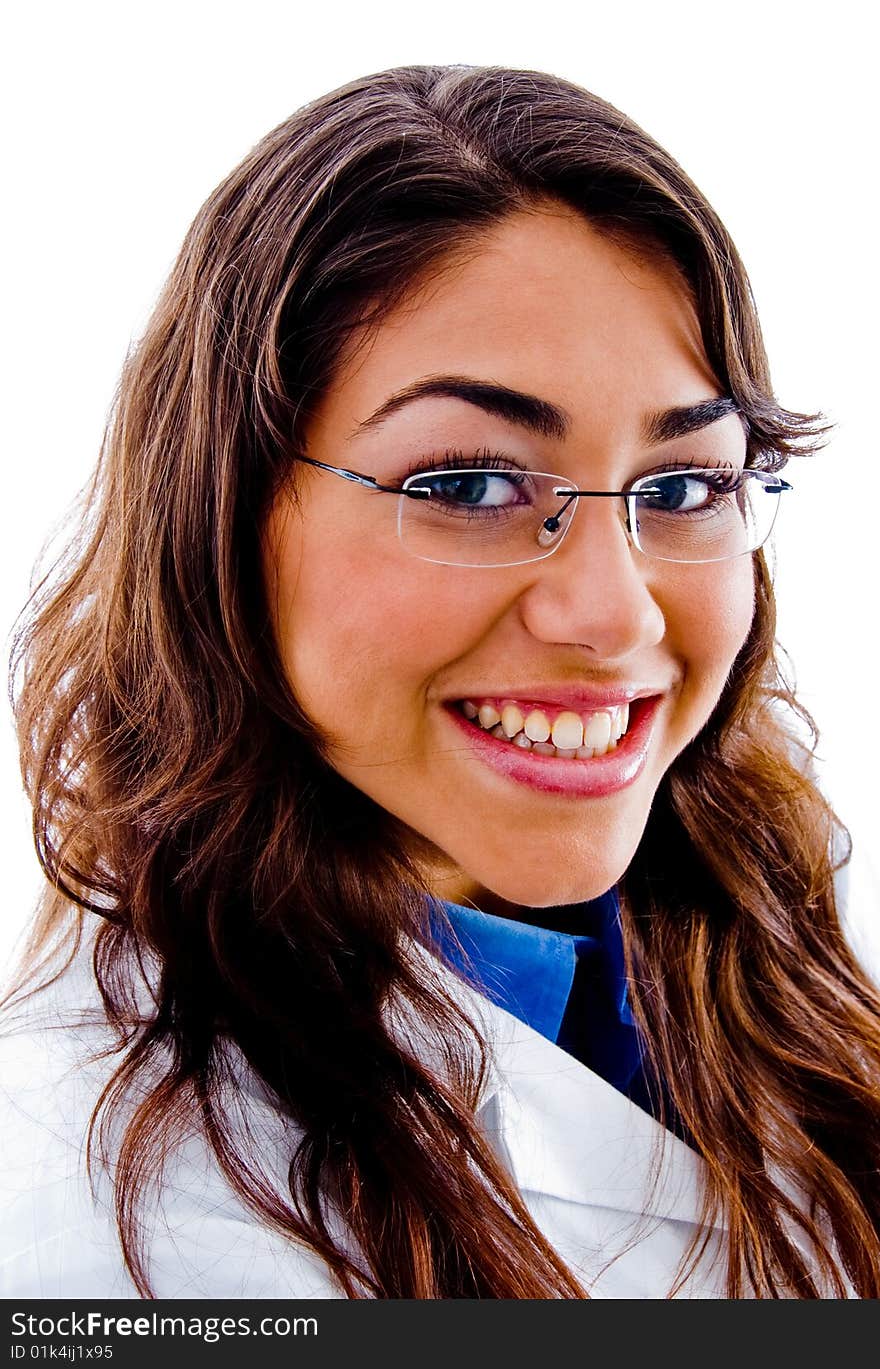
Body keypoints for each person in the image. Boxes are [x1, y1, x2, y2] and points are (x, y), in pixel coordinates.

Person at [3, 63, 879, 1301]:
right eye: (466, 485)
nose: (613, 612)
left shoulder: (794, 931)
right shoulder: (83, 1228)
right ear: (223, 519)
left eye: (681, 487)